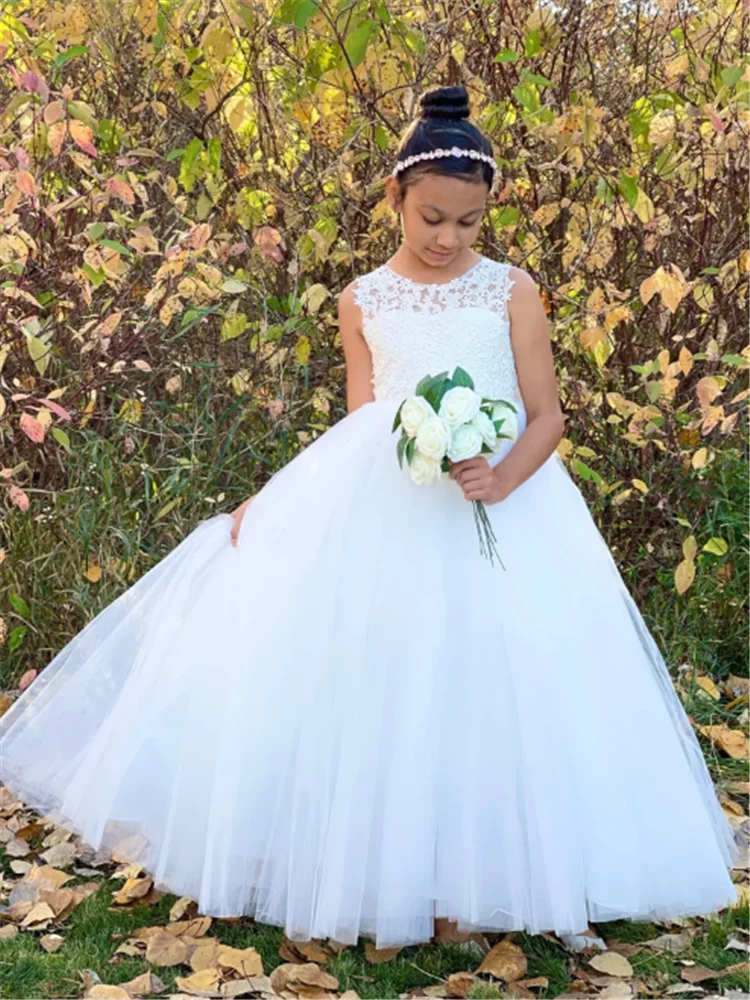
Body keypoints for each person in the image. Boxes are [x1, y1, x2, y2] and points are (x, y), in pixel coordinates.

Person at [0, 85, 740, 953]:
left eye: (469, 223)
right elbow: (362, 429)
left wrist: (500, 478)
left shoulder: (512, 291)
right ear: (394, 197)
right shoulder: (363, 300)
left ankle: (500, 875)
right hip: (395, 514)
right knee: (394, 685)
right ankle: (397, 873)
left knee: (506, 684)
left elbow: (547, 416)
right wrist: (275, 501)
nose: (448, 238)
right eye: (432, 217)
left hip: (508, 510)